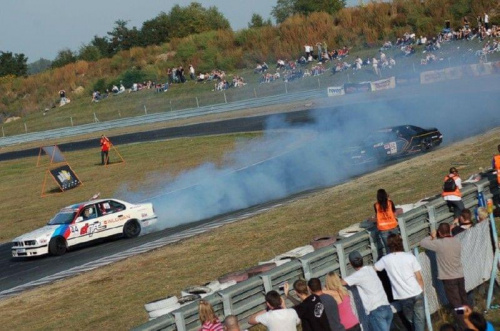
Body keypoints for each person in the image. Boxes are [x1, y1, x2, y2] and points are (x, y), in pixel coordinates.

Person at [420, 223, 468, 329]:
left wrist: (432, 236)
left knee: (456, 305)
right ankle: (469, 320)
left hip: (449, 279)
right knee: (463, 300)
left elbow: (423, 243)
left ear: (440, 233)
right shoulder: (456, 241)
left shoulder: (439, 244)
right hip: (460, 276)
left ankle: (464, 326)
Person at [374, 234, 425, 331]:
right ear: (401, 243)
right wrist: (422, 291)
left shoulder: (385, 260)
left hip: (403, 296)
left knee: (411, 320)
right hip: (417, 292)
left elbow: (374, 269)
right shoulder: (410, 257)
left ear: (388, 246)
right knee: (420, 320)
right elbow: (419, 277)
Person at [341, 251, 393, 331]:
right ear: (362, 260)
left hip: (376, 311)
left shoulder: (357, 275)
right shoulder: (371, 269)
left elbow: (342, 282)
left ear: (351, 264)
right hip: (387, 308)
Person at [373, 188, 399, 253]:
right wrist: (388, 198)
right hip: (393, 226)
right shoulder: (390, 203)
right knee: (397, 246)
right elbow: (394, 213)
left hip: (383, 229)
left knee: (388, 248)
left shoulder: (376, 205)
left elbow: (377, 216)